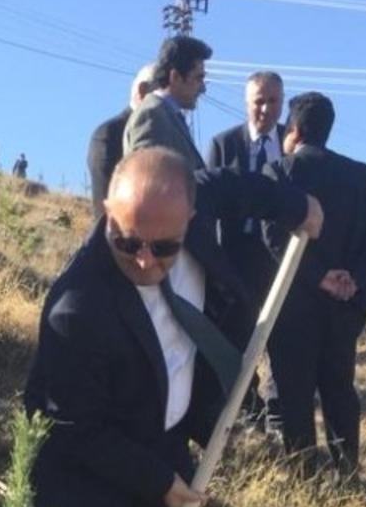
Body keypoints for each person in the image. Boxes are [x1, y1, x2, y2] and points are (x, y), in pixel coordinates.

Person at [24, 146, 320, 507]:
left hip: (160, 438)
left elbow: (240, 185)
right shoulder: (77, 308)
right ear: (107, 209)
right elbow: (74, 428)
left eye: (163, 247)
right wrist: (159, 483)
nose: (143, 259)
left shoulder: (197, 197)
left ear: (189, 216)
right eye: (126, 239)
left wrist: (299, 207)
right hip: (82, 457)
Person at [265, 91, 366, 477]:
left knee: (294, 392)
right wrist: (352, 277)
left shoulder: (281, 172)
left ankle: (303, 473)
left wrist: (318, 276)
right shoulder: (361, 175)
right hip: (344, 306)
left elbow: (273, 237)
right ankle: (346, 469)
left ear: (294, 130)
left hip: (296, 305)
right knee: (339, 388)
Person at [206, 69, 286, 426]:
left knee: (277, 337)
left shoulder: (290, 144)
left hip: (278, 259)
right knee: (236, 334)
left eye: (273, 101)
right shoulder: (224, 144)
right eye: (259, 101)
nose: (265, 109)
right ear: (246, 103)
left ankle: (275, 410)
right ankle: (242, 407)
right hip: (234, 258)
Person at [123, 35, 210, 175]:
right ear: (175, 76)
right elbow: (149, 181)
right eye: (198, 78)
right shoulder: (151, 116)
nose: (203, 89)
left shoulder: (168, 115)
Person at [86, 64, 155, 218]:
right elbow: (106, 206)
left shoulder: (162, 133)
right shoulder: (110, 133)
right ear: (143, 91)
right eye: (161, 94)